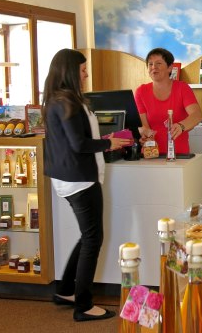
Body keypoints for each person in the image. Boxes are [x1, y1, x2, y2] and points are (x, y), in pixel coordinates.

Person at [42, 49, 132, 322]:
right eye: (82, 70)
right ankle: (84, 305)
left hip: (71, 178)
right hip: (79, 180)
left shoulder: (59, 100)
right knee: (93, 239)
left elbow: (79, 138)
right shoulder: (66, 103)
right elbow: (79, 144)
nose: (86, 74)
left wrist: (103, 139)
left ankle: (66, 290)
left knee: (86, 236)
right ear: (70, 71)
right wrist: (109, 143)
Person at [134, 48, 202, 154]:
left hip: (178, 155)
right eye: (150, 64)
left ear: (170, 67)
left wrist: (181, 126)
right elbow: (144, 125)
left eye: (158, 63)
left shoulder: (182, 88)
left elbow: (197, 115)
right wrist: (145, 134)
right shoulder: (141, 91)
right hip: (150, 154)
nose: (153, 67)